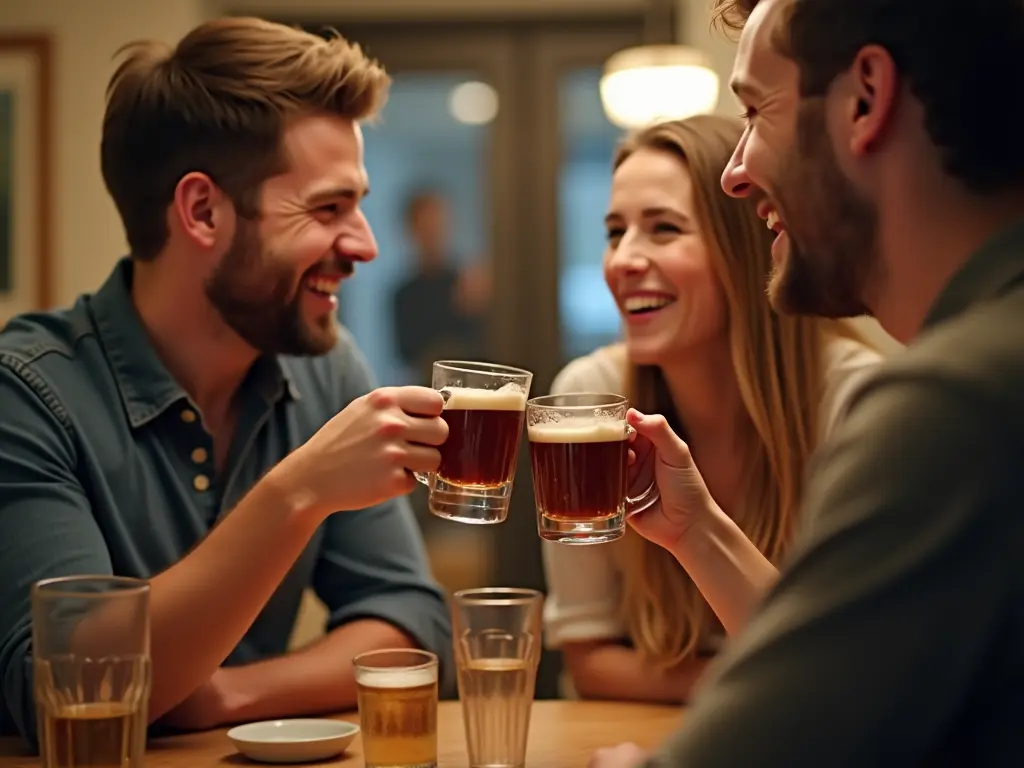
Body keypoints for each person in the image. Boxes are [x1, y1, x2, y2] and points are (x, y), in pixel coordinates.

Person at [590, 0, 1024, 765]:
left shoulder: (957, 404)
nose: (736, 171)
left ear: (865, 98)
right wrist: (700, 529)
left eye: (757, 110)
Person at [0, 17, 454, 747]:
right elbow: (61, 686)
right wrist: (296, 492)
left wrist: (225, 695)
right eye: (329, 208)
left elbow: (412, 622)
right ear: (202, 211)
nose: (365, 244)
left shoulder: (326, 367)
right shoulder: (25, 394)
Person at [542, 114, 883, 704]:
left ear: (747, 249)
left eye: (664, 229)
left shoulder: (858, 404)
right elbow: (590, 661)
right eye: (614, 231)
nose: (623, 260)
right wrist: (765, 690)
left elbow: (862, 673)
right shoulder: (587, 399)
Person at [391, 189, 488, 384]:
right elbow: (406, 352)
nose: (434, 231)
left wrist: (474, 308)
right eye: (426, 224)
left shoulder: (466, 282)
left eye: (438, 223)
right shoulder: (404, 294)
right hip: (428, 386)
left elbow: (481, 345)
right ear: (412, 229)